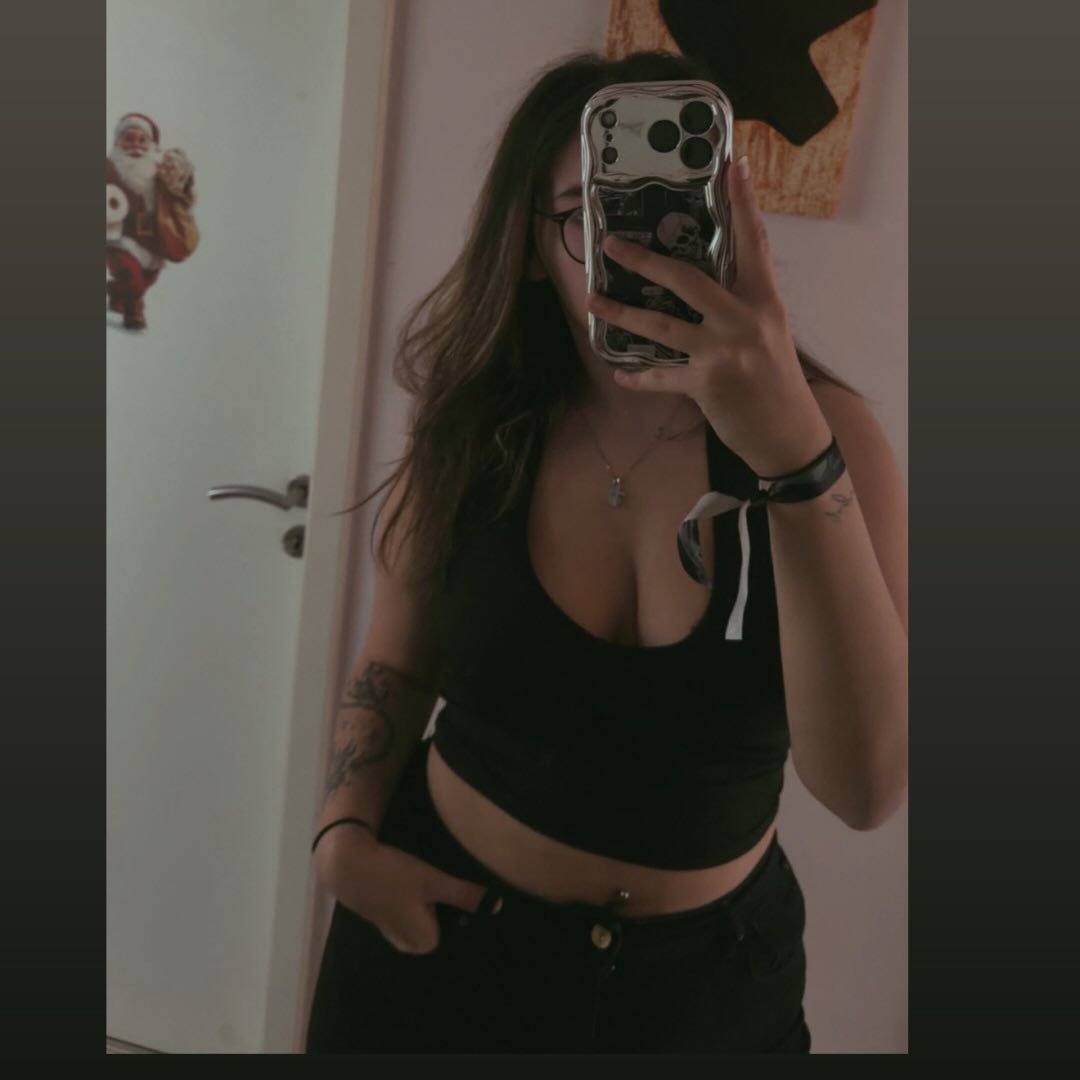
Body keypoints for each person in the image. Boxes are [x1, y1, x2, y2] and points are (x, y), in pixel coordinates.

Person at [305, 49, 907, 1055]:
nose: (643, 246)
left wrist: (794, 459)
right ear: (532, 249)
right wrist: (341, 839)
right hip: (437, 946)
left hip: (704, 998)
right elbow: (395, 664)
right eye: (594, 213)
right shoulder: (473, 431)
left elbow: (867, 789)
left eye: (680, 208)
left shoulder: (831, 436)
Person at [105, 112, 199, 330]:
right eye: (129, 139)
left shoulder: (160, 170)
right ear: (118, 141)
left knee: (148, 278)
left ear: (151, 144)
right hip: (117, 234)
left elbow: (178, 194)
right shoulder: (109, 167)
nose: (135, 145)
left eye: (142, 140)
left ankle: (117, 292)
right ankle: (134, 311)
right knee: (130, 275)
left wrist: (182, 181)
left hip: (151, 236)